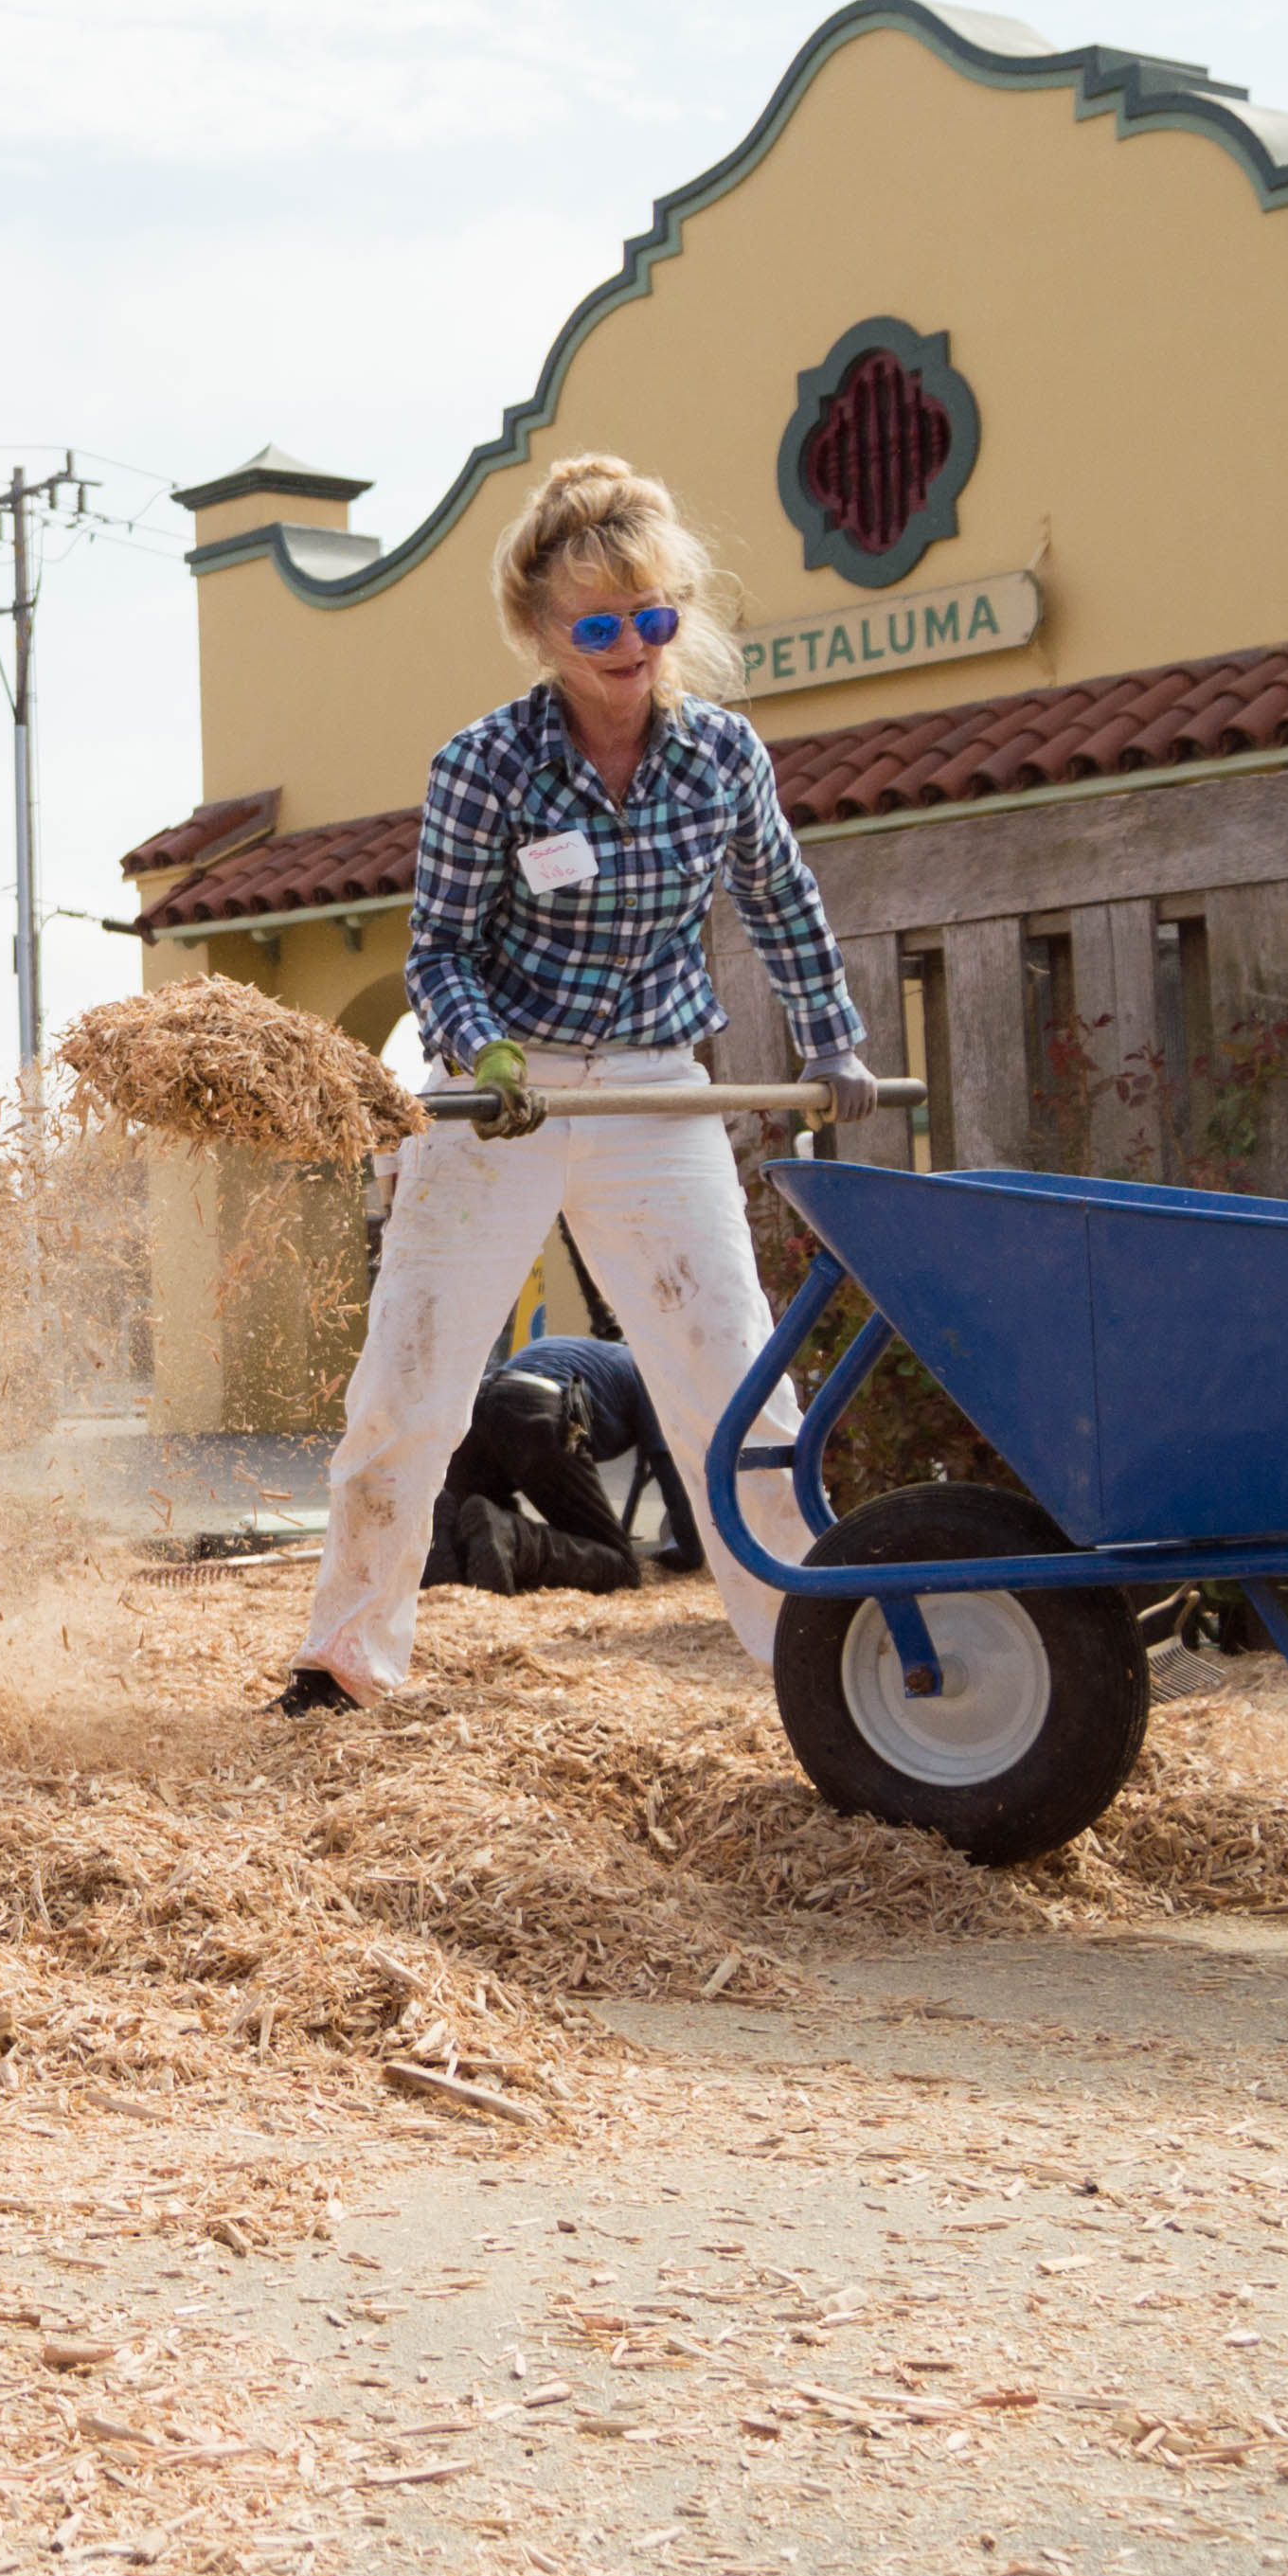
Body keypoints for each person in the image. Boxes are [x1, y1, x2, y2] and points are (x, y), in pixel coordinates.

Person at [278, 455, 878, 1713]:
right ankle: (348, 1654)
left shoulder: (721, 756)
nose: (631, 647)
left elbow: (780, 901)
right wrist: (484, 1049)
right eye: (597, 626)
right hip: (503, 1096)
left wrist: (834, 1043)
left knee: (733, 1371)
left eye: (653, 618)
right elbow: (437, 946)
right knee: (413, 1379)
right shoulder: (485, 767)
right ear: (540, 633)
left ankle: (820, 1658)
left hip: (655, 1088)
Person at [424, 1345, 653, 1600]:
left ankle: (446, 1531)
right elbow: (670, 1468)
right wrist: (689, 1553)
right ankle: (513, 1538)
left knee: (479, 1519)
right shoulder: (650, 1373)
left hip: (475, 1408)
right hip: (536, 1410)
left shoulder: (570, 1349)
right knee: (622, 1567)